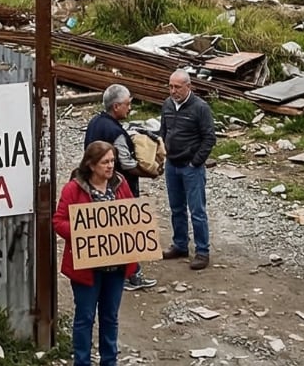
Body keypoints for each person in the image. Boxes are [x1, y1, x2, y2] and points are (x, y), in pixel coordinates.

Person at [56, 141, 137, 366]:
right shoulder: (73, 189)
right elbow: (58, 221)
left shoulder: (120, 185)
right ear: (91, 165)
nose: (110, 166)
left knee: (110, 317)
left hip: (116, 267)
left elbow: (133, 215)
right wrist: (83, 233)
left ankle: (109, 361)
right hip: (86, 268)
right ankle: (82, 362)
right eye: (105, 162)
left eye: (112, 161)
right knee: (85, 317)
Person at [85, 84, 156, 290]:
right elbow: (127, 164)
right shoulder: (115, 131)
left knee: (104, 231)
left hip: (96, 186)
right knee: (128, 231)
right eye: (127, 104)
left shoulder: (94, 122)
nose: (130, 108)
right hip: (117, 188)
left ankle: (106, 271)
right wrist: (149, 173)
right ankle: (133, 275)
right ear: (116, 107)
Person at [159, 68, 214, 270]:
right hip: (171, 165)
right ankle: (180, 245)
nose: (173, 91)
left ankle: (202, 251)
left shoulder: (200, 108)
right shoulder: (166, 104)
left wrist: (196, 162)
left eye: (177, 87)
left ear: (188, 87)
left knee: (197, 210)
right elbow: (163, 131)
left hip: (191, 168)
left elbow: (209, 138)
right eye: (170, 86)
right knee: (176, 208)